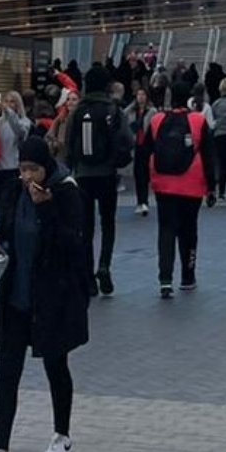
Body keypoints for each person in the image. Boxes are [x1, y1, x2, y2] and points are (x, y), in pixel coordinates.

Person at [0, 137, 92, 452]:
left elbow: (74, 243)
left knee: (56, 365)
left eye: (34, 169)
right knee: (7, 371)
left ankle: (62, 434)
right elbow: (5, 225)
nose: (27, 176)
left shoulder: (66, 191)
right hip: (18, 295)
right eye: (23, 168)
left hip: (54, 297)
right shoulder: (15, 191)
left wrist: (46, 208)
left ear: (47, 166)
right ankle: (0, 451)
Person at [145, 81, 216, 299]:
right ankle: (188, 275)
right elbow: (208, 155)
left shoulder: (157, 120)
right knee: (189, 229)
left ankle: (165, 279)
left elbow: (146, 150)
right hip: (191, 182)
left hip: (164, 182)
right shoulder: (198, 120)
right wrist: (211, 187)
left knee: (166, 230)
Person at [67, 65, 133, 298]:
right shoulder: (113, 110)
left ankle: (87, 277)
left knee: (85, 227)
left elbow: (69, 141)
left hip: (83, 174)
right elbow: (126, 140)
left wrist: (72, 168)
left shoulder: (78, 110)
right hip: (106, 173)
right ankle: (104, 265)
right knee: (108, 223)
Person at [0, 91, 31, 254]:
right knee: (1, 207)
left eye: (12, 102)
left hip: (12, 171)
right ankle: (5, 237)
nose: (8, 104)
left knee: (8, 209)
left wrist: (9, 112)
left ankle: (5, 240)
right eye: (6, 101)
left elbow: (20, 132)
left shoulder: (23, 122)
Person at [124, 87, 156, 215]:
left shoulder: (152, 111)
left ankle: (144, 201)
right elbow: (124, 115)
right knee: (138, 174)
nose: (140, 97)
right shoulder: (132, 111)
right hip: (136, 144)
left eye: (143, 94)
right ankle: (140, 201)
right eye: (138, 95)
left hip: (148, 145)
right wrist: (132, 105)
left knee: (145, 174)